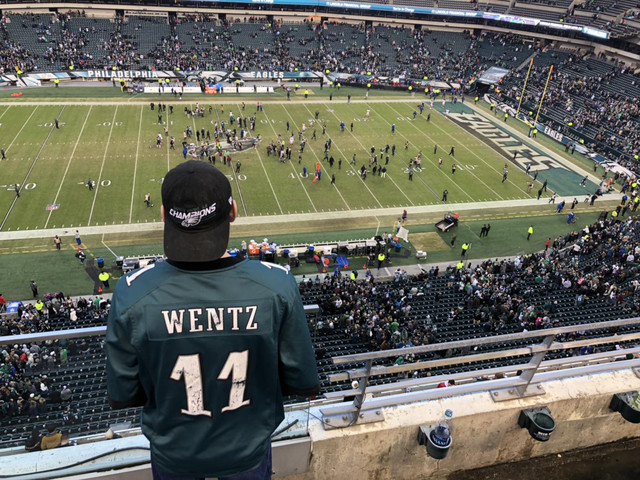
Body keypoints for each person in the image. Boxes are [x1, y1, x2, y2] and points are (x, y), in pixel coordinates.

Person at [105, 161, 319, 480]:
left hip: (174, 452)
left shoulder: (132, 292)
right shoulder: (276, 285)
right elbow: (302, 381)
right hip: (247, 450)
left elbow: (123, 393)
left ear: (163, 215)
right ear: (233, 212)